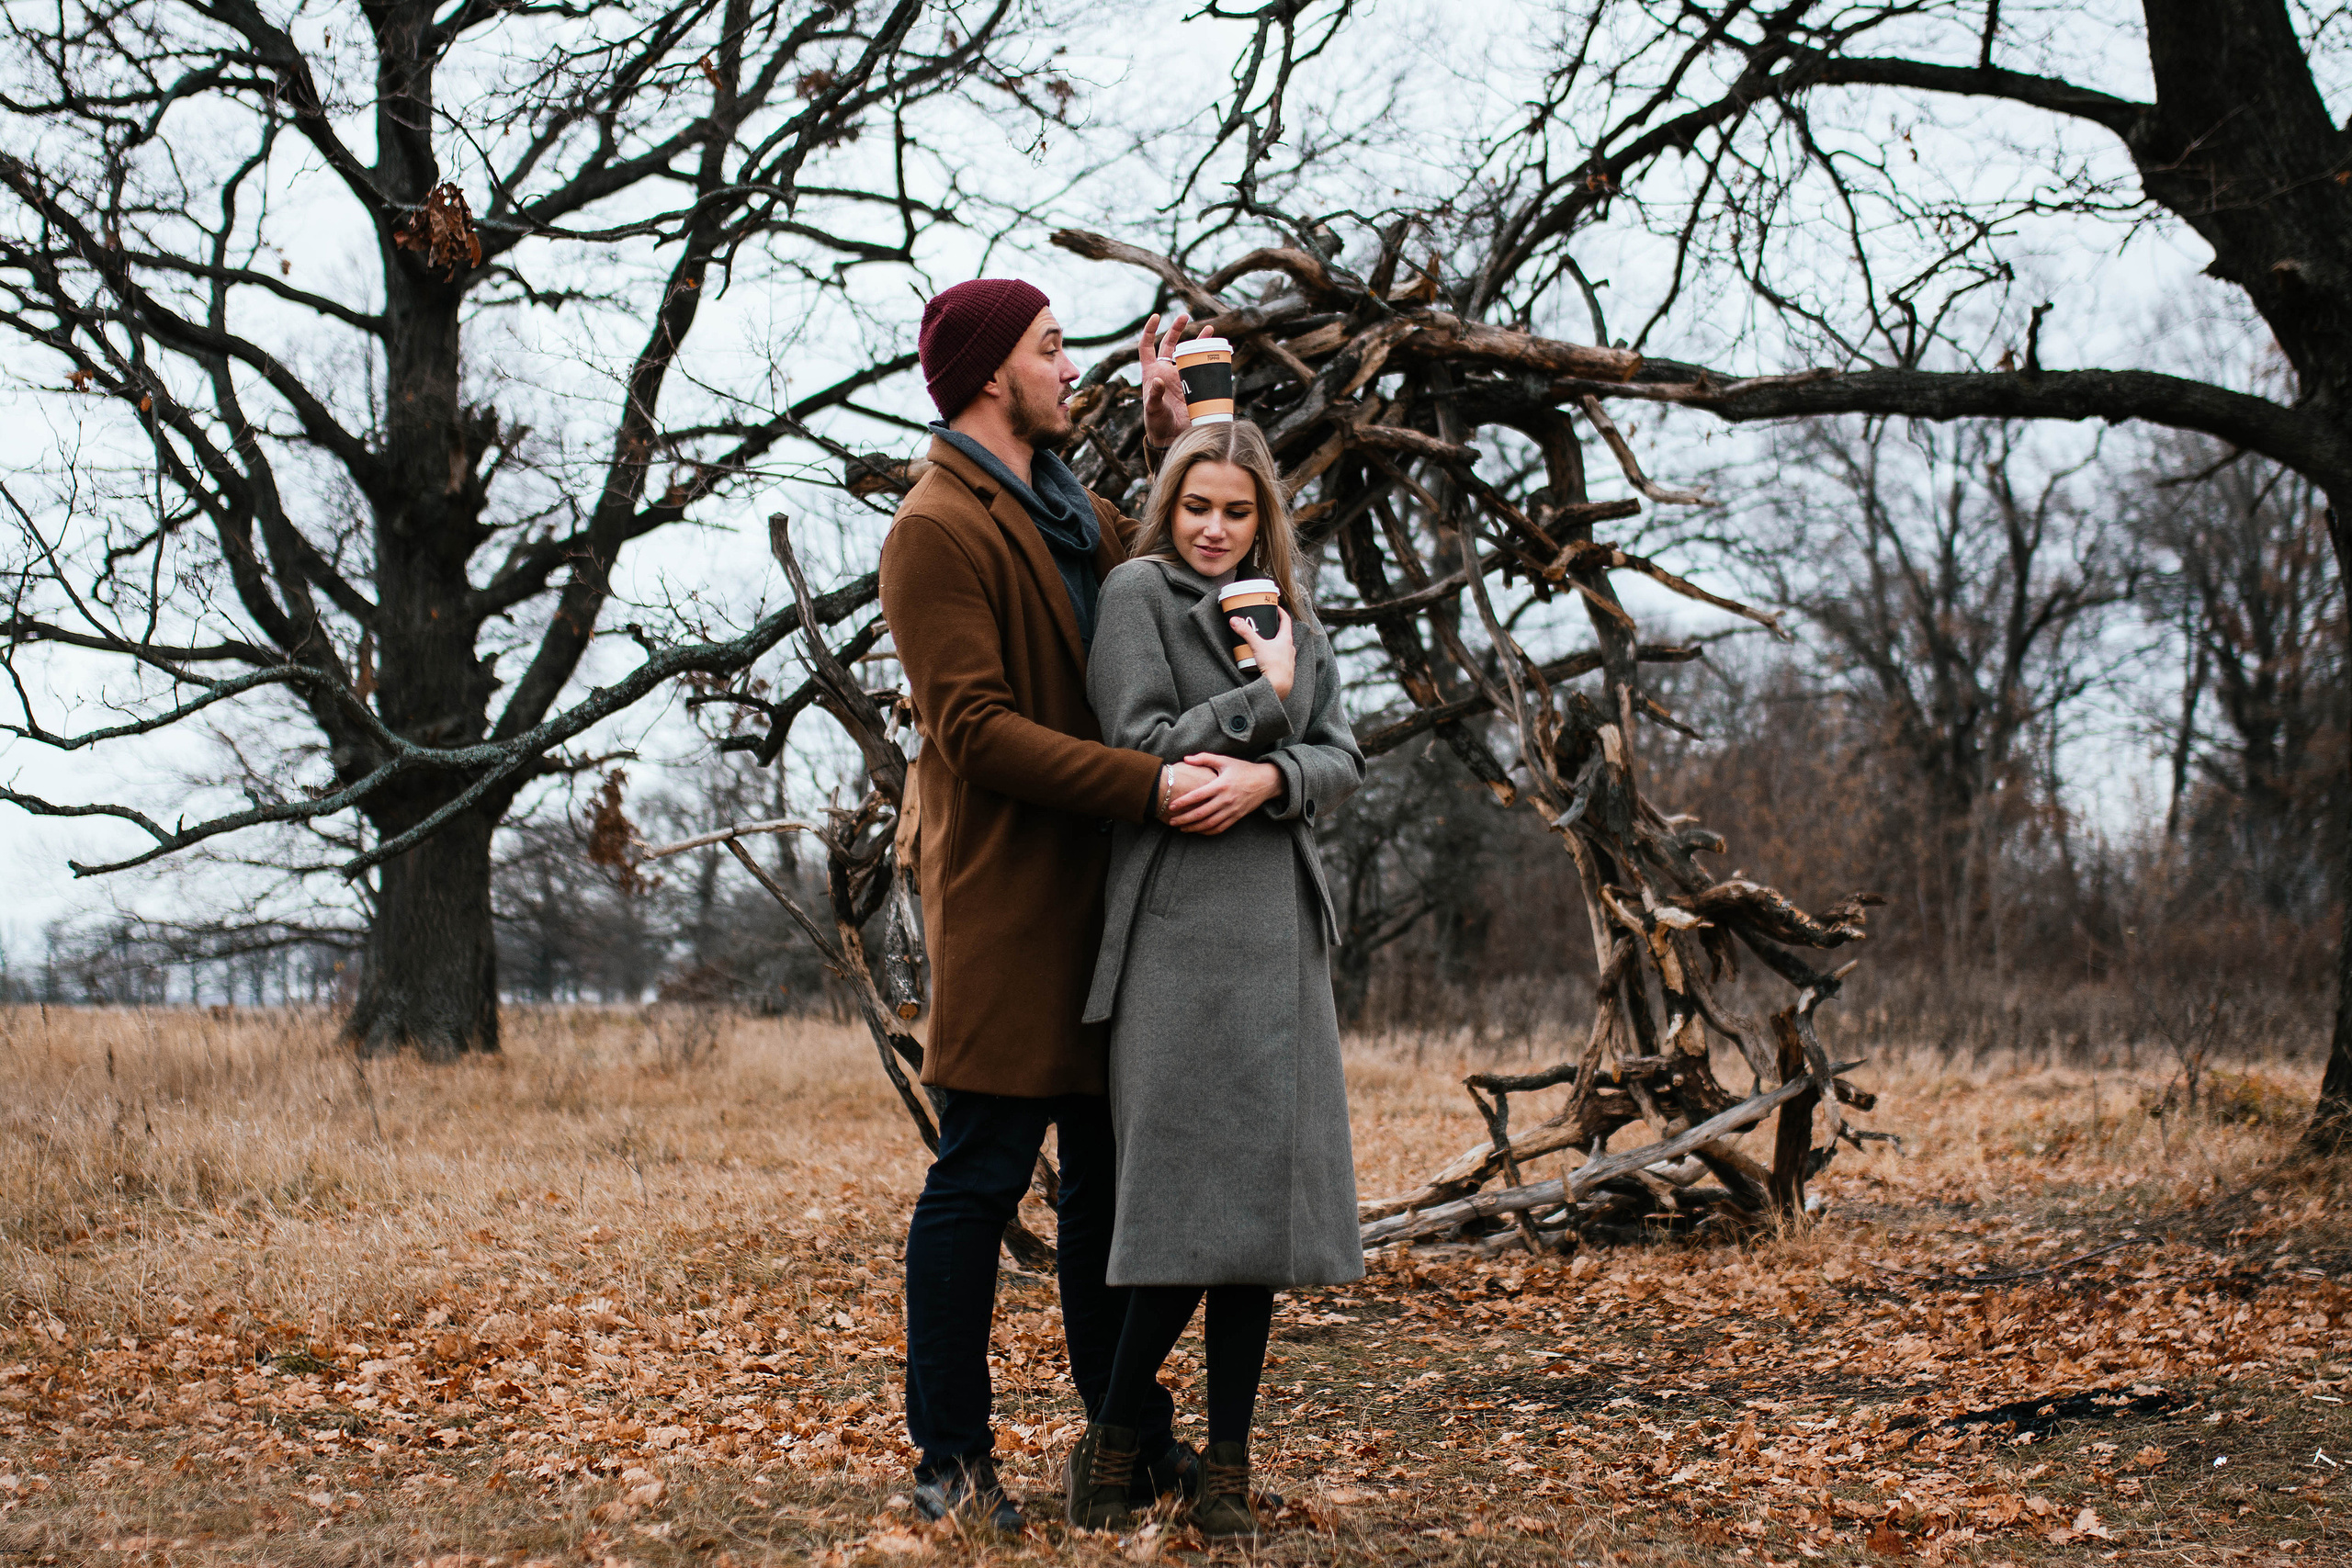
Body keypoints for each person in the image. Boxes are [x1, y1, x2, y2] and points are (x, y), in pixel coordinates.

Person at [879, 277, 1224, 1531]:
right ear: (989, 373)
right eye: (1051, 347)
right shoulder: (934, 527)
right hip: (1008, 900)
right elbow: (972, 730)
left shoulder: (1071, 504)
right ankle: (950, 1465)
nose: (1070, 368)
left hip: (1107, 900)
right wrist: (1152, 785)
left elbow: (1173, 587)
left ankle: (1125, 1438)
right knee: (978, 1174)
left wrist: (1174, 436)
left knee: (1106, 1183)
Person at [1061, 419, 1367, 1537]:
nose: (1214, 528)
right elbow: (1140, 746)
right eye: (1197, 507)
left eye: (1237, 512)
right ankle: (1110, 1447)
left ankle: (1228, 1469)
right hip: (1176, 932)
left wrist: (1268, 782)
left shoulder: (1290, 613)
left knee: (1261, 1219)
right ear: (1169, 506)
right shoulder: (1137, 595)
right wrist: (1260, 705)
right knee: (1180, 1206)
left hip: (1280, 935)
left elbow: (1342, 753)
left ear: (1262, 518)